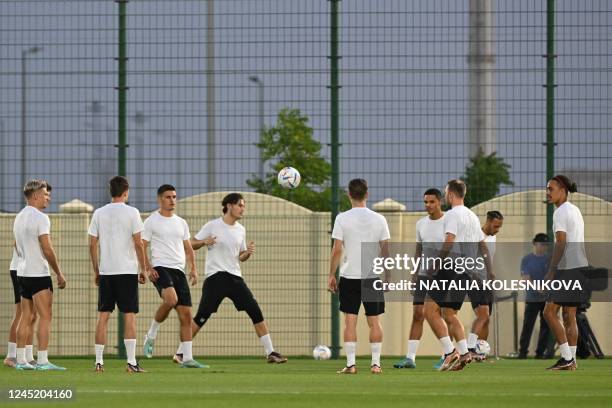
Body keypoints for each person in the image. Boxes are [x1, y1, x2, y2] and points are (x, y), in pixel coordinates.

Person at [174, 193, 287, 364]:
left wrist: (247, 253)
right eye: (240, 205)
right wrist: (205, 241)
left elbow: (240, 257)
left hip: (235, 278)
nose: (243, 209)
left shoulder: (241, 230)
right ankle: (180, 353)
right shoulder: (213, 225)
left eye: (243, 206)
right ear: (229, 206)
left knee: (255, 310)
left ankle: (271, 352)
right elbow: (191, 243)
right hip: (216, 278)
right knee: (202, 316)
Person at [424, 179, 493, 372]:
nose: (446, 196)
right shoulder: (472, 216)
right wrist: (488, 269)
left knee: (429, 309)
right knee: (449, 314)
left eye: (446, 193)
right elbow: (483, 245)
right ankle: (463, 353)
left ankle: (449, 351)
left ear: (451, 194)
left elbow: (449, 240)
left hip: (452, 268)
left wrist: (436, 263)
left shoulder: (452, 215)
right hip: (468, 271)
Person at [328, 178, 390, 374]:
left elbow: (337, 249)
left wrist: (331, 274)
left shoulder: (342, 218)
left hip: (349, 277)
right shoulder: (380, 219)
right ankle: (376, 364)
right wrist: (388, 276)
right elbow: (386, 250)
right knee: (374, 321)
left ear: (349, 195)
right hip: (372, 277)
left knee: (350, 321)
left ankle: (351, 365)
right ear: (367, 194)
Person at [141, 185, 206, 368]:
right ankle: (151, 334)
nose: (172, 200)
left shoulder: (181, 222)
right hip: (161, 268)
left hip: (179, 271)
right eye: (168, 197)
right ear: (160, 199)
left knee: (186, 316)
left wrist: (193, 268)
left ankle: (187, 358)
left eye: (174, 197)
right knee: (171, 300)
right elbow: (141, 246)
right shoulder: (151, 221)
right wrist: (147, 267)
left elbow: (188, 247)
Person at [89, 176, 147, 373]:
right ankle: (131, 363)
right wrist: (144, 268)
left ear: (110, 191)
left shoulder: (99, 213)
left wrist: (97, 270)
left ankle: (99, 362)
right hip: (127, 271)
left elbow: (92, 244)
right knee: (129, 316)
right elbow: (139, 243)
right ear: (126, 191)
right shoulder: (133, 213)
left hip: (107, 271)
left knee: (103, 316)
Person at [13, 179, 67, 370]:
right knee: (45, 316)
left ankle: (20, 361)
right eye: (45, 194)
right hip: (38, 273)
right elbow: (48, 249)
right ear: (35, 196)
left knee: (25, 316)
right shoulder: (41, 218)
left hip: (22, 273)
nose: (48, 198)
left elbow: (17, 246)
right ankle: (43, 361)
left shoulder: (18, 217)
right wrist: (59, 273)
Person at [394, 188, 445, 369]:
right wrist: (414, 273)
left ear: (440, 202)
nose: (428, 205)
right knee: (418, 314)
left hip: (443, 275)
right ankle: (410, 358)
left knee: (443, 315)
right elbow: (418, 250)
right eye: (425, 202)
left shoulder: (448, 221)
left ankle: (447, 355)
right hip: (423, 276)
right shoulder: (421, 224)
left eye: (431, 202)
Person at [543, 174, 588, 370]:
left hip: (568, 268)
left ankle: (567, 357)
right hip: (580, 267)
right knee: (570, 315)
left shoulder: (560, 212)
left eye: (551, 189)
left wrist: (551, 270)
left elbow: (561, 242)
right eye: (547, 189)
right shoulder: (575, 210)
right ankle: (572, 361)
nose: (548, 192)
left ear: (563, 190)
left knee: (549, 312)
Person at [466, 210, 503, 359]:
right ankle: (469, 349)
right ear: (487, 221)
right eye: (495, 226)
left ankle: (480, 353)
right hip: (475, 281)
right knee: (483, 315)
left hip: (487, 284)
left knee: (486, 319)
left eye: (499, 227)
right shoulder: (475, 237)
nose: (497, 230)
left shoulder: (493, 237)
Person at [518, 233, 552, 359]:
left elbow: (551, 276)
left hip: (546, 299)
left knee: (546, 327)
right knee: (528, 326)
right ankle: (523, 352)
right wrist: (538, 288)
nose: (543, 247)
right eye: (541, 244)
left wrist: (546, 288)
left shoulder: (549, 259)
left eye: (545, 245)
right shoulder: (527, 260)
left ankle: (540, 353)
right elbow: (526, 278)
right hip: (532, 298)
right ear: (534, 243)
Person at [4, 248, 37, 368]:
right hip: (20, 269)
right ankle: (11, 356)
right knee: (22, 312)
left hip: (31, 271)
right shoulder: (20, 228)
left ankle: (29, 356)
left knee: (32, 315)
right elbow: (18, 243)